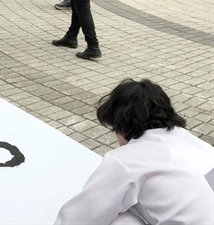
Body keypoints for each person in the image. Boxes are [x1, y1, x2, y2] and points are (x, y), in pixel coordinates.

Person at [54, 79, 214, 224]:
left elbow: (80, 216)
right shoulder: (198, 144)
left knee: (121, 217)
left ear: (121, 125)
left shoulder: (126, 161)